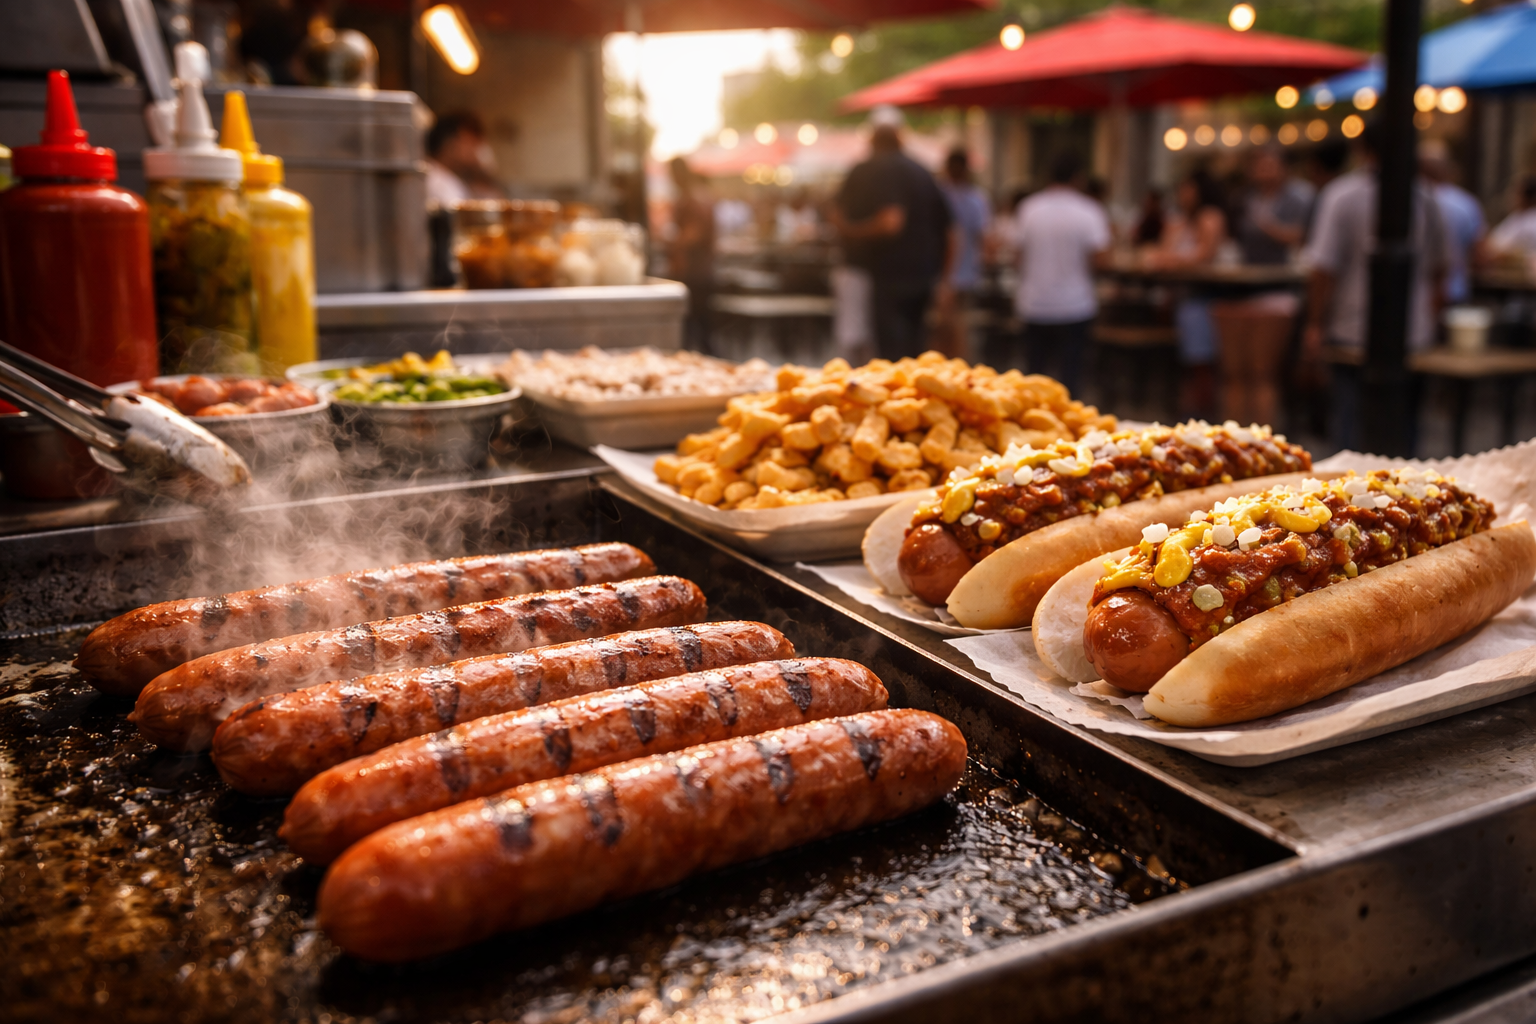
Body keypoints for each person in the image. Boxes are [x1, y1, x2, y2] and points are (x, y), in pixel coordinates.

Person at [1302, 120, 1449, 453]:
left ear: (1362, 149)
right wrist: (1433, 318)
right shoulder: (1427, 198)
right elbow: (1442, 269)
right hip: (1415, 333)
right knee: (1406, 428)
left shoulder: (1341, 196)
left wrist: (1314, 324)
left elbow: (1323, 269)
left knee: (1351, 431)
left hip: (1352, 330)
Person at [832, 108, 955, 360]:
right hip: (924, 275)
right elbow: (952, 230)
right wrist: (945, 279)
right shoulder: (922, 171)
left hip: (885, 275)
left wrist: (850, 231)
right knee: (915, 347)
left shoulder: (871, 168)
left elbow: (891, 222)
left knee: (886, 352)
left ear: (872, 136)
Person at [1210, 147, 1312, 428]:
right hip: (1241, 288)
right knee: (1234, 373)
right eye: (1259, 165)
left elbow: (1302, 237)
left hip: (1280, 287)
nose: (1263, 171)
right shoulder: (1244, 198)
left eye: (1269, 164)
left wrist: (1268, 227)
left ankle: (1262, 437)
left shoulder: (1300, 198)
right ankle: (1233, 436)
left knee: (1262, 371)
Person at [1011, 151, 1111, 396]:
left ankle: (1033, 428)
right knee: (1071, 380)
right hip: (1075, 305)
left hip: (1034, 303)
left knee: (1034, 380)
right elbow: (1101, 260)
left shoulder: (1028, 208)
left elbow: (1016, 258)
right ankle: (1069, 430)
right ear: (1079, 178)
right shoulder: (1089, 211)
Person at [1150, 169, 1228, 419]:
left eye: (1187, 188)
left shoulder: (1210, 217)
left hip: (1205, 296)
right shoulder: (1180, 220)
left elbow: (1205, 256)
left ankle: (1200, 409)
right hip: (1180, 297)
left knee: (1198, 356)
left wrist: (1172, 259)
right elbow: (1163, 252)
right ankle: (1185, 406)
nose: (1183, 194)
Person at [936, 147, 991, 359]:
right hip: (966, 272)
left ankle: (943, 377)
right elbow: (984, 237)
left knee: (942, 328)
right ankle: (957, 375)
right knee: (960, 327)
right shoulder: (976, 199)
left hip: (941, 272)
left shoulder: (939, 195)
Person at [1420, 142, 1484, 305]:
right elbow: (1480, 255)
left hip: (1417, 296)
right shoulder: (1466, 203)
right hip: (1455, 292)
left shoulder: (1411, 201)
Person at [667, 156, 717, 355]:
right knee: (698, 328)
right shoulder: (696, 195)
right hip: (698, 270)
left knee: (694, 329)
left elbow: (693, 234)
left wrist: (671, 242)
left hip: (694, 271)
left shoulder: (692, 198)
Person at [424, 111, 495, 207]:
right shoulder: (436, 182)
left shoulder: (448, 178)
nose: (475, 149)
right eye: (471, 141)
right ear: (450, 142)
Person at [1486, 175, 1536, 260]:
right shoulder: (1517, 216)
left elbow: (1505, 250)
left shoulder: (1531, 221)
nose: (1510, 196)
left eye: (1516, 193)